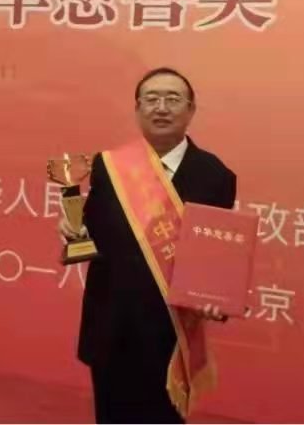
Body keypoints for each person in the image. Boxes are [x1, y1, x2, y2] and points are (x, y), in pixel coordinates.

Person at [58, 67, 237, 423]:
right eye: (151, 99)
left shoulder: (216, 175)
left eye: (173, 99)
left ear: (191, 110)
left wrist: (216, 300)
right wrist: (73, 233)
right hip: (112, 326)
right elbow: (93, 238)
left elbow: (218, 253)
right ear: (138, 109)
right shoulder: (108, 166)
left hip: (170, 332)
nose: (161, 107)